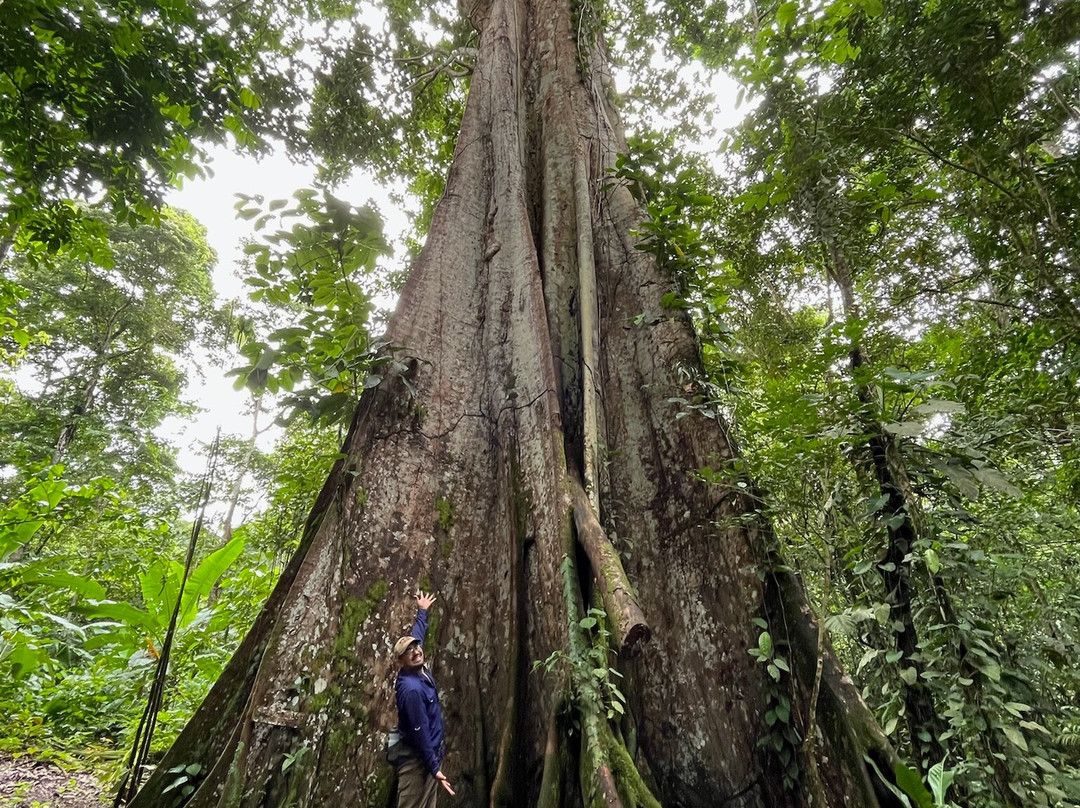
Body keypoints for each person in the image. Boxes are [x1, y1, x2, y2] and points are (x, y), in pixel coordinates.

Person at [393, 590, 455, 806]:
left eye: (416, 646)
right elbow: (420, 731)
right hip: (417, 761)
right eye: (409, 652)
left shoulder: (417, 668)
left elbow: (417, 634)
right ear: (401, 662)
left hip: (430, 756)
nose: (416, 652)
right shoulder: (412, 690)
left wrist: (422, 611)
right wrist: (434, 767)